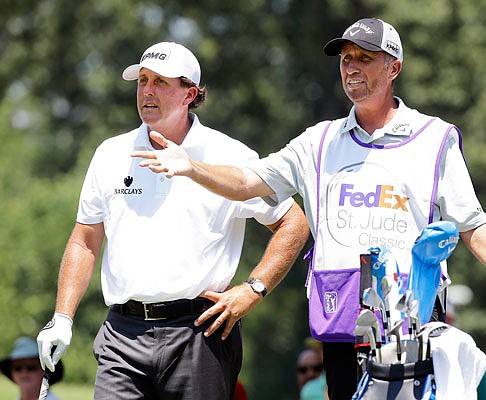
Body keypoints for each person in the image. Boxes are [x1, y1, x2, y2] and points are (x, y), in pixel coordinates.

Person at [131, 18, 486, 400]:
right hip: (340, 310)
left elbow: (472, 222)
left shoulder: (434, 137)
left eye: (365, 58)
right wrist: (191, 167)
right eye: (345, 59)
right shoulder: (318, 141)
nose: (351, 67)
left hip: (409, 310)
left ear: (393, 68)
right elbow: (248, 182)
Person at [36, 41, 309, 400]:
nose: (147, 90)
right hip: (122, 333)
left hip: (200, 333)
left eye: (160, 82)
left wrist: (254, 289)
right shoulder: (110, 154)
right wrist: (63, 317)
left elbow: (294, 222)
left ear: (189, 94)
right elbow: (84, 241)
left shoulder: (229, 155)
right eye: (142, 80)